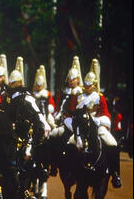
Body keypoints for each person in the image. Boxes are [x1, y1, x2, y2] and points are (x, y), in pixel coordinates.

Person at [0, 57, 50, 199]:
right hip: (5, 131)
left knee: (33, 155)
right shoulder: (3, 94)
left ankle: (29, 189)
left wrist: (45, 123)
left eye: (18, 83)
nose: (16, 86)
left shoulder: (28, 95)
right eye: (14, 83)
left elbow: (38, 113)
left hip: (23, 133)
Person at [65, 59, 122, 188]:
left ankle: (115, 174)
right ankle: (70, 172)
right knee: (70, 143)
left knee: (113, 144)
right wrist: (73, 125)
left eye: (89, 85)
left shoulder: (99, 97)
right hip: (81, 126)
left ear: (94, 85)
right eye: (85, 84)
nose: (86, 86)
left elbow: (106, 114)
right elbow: (70, 113)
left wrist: (98, 120)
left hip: (97, 125)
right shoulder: (78, 96)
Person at [32, 65, 56, 129]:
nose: (39, 86)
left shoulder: (47, 93)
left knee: (50, 120)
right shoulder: (33, 94)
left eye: (40, 84)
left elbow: (52, 104)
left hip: (46, 112)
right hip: (35, 112)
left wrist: (48, 108)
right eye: (38, 84)